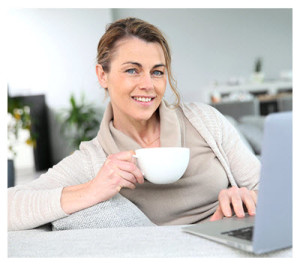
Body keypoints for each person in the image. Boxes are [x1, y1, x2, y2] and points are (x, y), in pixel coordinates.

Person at [8, 17, 260, 231]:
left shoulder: (206, 122)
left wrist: (247, 197)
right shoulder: (94, 159)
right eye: (132, 70)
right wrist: (92, 190)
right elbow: (9, 205)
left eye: (157, 72)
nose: (148, 85)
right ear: (102, 75)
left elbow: (268, 187)